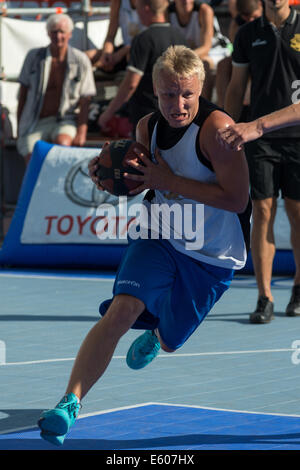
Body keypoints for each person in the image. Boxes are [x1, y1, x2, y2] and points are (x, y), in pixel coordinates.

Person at [37, 45, 251, 447]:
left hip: (212, 255)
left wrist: (167, 181)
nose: (178, 103)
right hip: (161, 233)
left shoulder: (217, 131)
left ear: (201, 88)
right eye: (169, 94)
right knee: (121, 310)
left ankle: (157, 338)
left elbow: (236, 200)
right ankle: (69, 403)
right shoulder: (145, 129)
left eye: (187, 93)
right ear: (155, 91)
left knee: (171, 341)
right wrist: (108, 175)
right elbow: (142, 182)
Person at [224, 0, 300, 323]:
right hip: (260, 139)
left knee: (297, 213)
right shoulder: (246, 35)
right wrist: (227, 128)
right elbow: (236, 86)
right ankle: (264, 296)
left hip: (298, 137)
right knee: (262, 210)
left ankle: (298, 287)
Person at [97, 0, 188, 134]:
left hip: (147, 118)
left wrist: (108, 113)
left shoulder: (143, 39)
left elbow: (130, 84)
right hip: (175, 115)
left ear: (146, 8)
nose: (137, 13)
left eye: (138, 8)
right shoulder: (179, 37)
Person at [17, 13, 96, 164]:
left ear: (70, 34)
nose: (58, 36)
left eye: (62, 32)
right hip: (35, 121)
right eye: (54, 31)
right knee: (33, 159)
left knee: (62, 147)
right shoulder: (34, 57)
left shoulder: (80, 60)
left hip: (65, 120)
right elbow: (22, 93)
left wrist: (81, 132)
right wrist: (20, 126)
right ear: (48, 33)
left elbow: (86, 98)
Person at [167, 0, 231, 100]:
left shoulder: (204, 10)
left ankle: (204, 107)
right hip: (186, 55)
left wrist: (180, 58)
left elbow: (206, 47)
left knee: (202, 64)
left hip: (215, 51)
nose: (186, 1)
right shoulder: (167, 12)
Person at [215, 0, 263, 108]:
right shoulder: (237, 23)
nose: (250, 20)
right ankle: (222, 108)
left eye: (254, 17)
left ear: (260, 6)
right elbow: (235, 47)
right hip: (245, 57)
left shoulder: (269, 19)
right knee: (223, 65)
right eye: (246, 17)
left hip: (263, 57)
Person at [85, 0, 144, 73]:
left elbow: (151, 36)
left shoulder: (149, 3)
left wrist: (122, 52)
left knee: (131, 56)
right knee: (84, 57)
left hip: (142, 50)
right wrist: (107, 53)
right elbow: (110, 36)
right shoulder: (118, 2)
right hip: (125, 49)